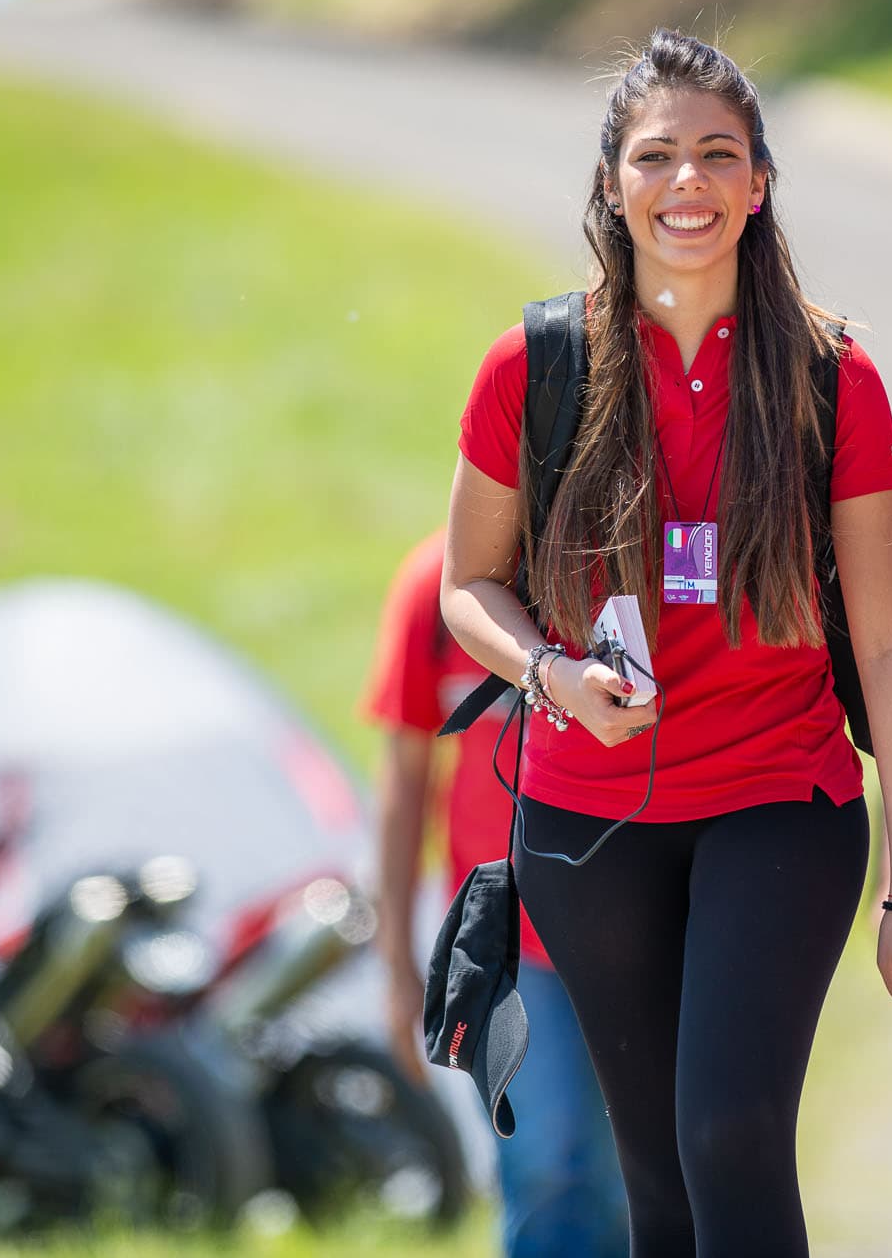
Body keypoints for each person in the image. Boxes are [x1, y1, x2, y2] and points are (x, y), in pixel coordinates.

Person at [441, 29, 892, 1258]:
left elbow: (890, 648)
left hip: (780, 799)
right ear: (612, 184)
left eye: (717, 154)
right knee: (656, 1179)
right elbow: (469, 585)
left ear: (760, 181)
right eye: (655, 155)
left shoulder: (836, 380)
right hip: (584, 821)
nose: (687, 183)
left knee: (728, 1132)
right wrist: (553, 675)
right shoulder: (534, 365)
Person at [363, 530, 626, 1258]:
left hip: (634, 929)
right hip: (507, 945)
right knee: (541, 1164)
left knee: (624, 1181)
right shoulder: (435, 583)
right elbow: (403, 785)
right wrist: (395, 965)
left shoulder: (625, 563)